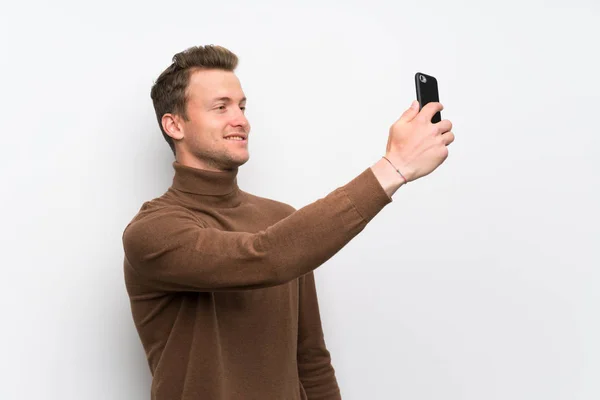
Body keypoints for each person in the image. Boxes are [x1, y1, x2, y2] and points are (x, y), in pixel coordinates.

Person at [122, 44, 454, 400]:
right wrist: (393, 168)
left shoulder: (280, 220)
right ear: (174, 125)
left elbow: (309, 357)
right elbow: (262, 257)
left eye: (242, 106)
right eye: (221, 107)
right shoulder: (152, 232)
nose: (241, 120)